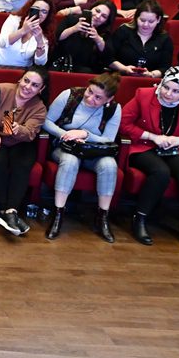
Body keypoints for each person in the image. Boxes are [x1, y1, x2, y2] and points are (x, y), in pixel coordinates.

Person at [120, 67, 179, 247]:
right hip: (145, 146)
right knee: (161, 172)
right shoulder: (144, 95)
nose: (168, 94)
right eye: (166, 87)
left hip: (177, 148)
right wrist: (152, 137)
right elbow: (123, 123)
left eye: (176, 91)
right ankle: (140, 219)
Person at [42, 72, 123, 242]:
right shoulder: (70, 95)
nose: (90, 98)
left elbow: (108, 139)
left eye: (98, 97)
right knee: (70, 161)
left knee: (109, 165)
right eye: (90, 91)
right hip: (65, 146)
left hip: (93, 150)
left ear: (108, 100)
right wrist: (66, 134)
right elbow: (46, 121)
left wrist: (85, 134)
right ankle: (58, 213)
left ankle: (102, 217)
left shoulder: (114, 109)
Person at [0, 67, 49, 237]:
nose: (28, 87)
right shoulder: (0, 90)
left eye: (35, 85)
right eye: (26, 81)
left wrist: (18, 129)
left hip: (21, 142)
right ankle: (9, 211)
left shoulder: (40, 108)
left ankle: (8, 211)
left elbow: (30, 133)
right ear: (20, 79)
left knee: (22, 165)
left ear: (41, 89)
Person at [109, 0, 173, 79]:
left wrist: (151, 74)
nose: (146, 25)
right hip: (120, 78)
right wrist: (124, 69)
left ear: (158, 20)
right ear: (136, 18)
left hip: (150, 82)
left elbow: (165, 67)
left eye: (151, 21)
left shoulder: (165, 39)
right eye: (142, 20)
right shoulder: (123, 31)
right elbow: (108, 58)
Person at [51, 0, 117, 74]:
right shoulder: (71, 19)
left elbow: (108, 56)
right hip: (62, 65)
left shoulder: (105, 33)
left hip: (87, 71)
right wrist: (74, 28)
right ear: (91, 8)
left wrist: (97, 39)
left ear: (106, 21)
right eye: (97, 11)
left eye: (103, 16)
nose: (98, 16)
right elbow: (57, 37)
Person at [0, 0, 54, 68]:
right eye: (36, 9)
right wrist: (23, 30)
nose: (39, 13)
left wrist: (40, 41)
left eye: (44, 11)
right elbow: (2, 43)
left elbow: (40, 62)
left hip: (21, 70)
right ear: (29, 9)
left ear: (47, 16)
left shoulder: (44, 33)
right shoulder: (14, 20)